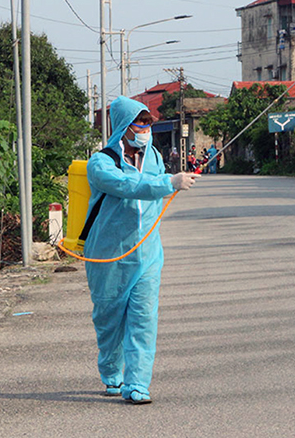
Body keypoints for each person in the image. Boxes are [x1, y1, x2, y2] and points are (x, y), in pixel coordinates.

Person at [83, 96, 199, 405]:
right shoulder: (101, 162)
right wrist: (169, 183)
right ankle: (111, 372)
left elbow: (155, 188)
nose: (146, 127)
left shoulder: (155, 158)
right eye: (141, 121)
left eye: (149, 122)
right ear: (124, 125)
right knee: (108, 319)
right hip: (107, 255)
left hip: (147, 254)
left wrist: (171, 181)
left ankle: (137, 384)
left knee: (143, 318)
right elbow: (126, 185)